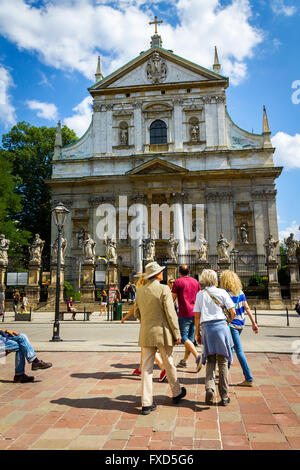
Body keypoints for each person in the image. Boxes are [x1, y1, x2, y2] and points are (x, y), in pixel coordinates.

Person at [134, 261, 186, 415]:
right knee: (169, 363)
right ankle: (176, 393)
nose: (162, 273)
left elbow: (137, 314)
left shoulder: (140, 291)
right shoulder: (163, 289)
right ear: (156, 274)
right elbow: (171, 313)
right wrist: (177, 333)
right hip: (162, 332)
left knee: (146, 368)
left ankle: (146, 403)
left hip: (146, 332)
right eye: (161, 271)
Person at [193, 269, 236, 407]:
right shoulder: (222, 292)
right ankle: (224, 396)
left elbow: (197, 316)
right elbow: (233, 311)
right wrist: (227, 322)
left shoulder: (200, 294)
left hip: (206, 328)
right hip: (221, 327)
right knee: (223, 361)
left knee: (210, 359)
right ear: (215, 279)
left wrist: (197, 333)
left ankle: (209, 388)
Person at [121, 274, 167, 383]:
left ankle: (163, 368)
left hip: (146, 323)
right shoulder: (154, 290)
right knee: (144, 347)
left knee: (148, 347)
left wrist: (125, 318)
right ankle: (141, 368)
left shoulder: (142, 292)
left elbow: (134, 309)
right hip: (155, 321)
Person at [220, 270, 259, 387]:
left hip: (231, 325)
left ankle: (248, 378)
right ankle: (224, 373)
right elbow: (247, 308)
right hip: (241, 324)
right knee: (231, 348)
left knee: (238, 350)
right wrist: (254, 323)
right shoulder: (241, 292)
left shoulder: (225, 294)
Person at [171, 265, 202, 371]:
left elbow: (172, 298)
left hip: (184, 313)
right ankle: (184, 360)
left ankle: (198, 356)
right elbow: (199, 296)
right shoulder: (195, 282)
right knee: (190, 339)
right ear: (189, 271)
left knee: (183, 338)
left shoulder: (178, 282)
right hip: (195, 313)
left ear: (179, 272)